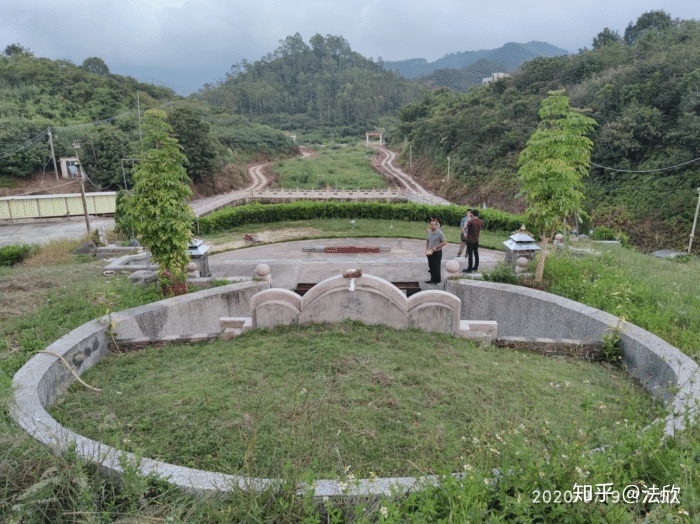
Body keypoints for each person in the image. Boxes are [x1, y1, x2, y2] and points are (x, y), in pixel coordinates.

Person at [425, 218, 446, 284]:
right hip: (429, 251)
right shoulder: (430, 232)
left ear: (437, 226)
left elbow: (444, 242)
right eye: (431, 225)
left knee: (436, 266)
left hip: (437, 252)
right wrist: (426, 249)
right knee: (431, 266)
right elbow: (427, 241)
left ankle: (437, 280)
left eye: (434, 225)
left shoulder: (439, 233)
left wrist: (436, 247)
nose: (432, 226)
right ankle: (432, 279)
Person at [463, 209, 483, 273]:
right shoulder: (480, 221)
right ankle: (476, 267)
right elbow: (479, 230)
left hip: (470, 240)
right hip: (476, 240)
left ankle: (469, 268)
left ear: (472, 214)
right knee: (476, 253)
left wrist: (464, 233)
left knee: (470, 254)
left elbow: (464, 228)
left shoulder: (471, 222)